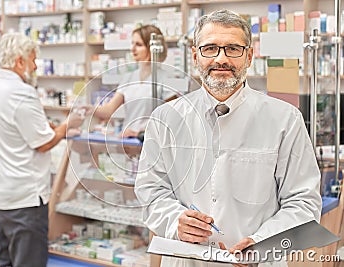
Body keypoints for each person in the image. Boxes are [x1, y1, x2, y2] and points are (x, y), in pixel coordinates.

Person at [134, 9, 322, 267]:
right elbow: (150, 190)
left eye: (233, 48)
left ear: (250, 56)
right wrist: (174, 220)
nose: (221, 59)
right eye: (210, 48)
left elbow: (304, 202)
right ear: (194, 55)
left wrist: (263, 242)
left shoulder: (285, 120)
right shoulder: (165, 118)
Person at [0, 32, 82, 267]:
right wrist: (69, 125)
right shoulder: (21, 92)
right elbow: (44, 142)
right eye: (33, 60)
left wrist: (52, 128)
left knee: (3, 261)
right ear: (19, 61)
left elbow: (19, 128)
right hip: (24, 202)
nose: (35, 66)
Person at [84, 24, 173, 138]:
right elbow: (109, 110)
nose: (133, 49)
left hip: (152, 141)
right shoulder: (128, 78)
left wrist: (140, 133)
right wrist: (90, 109)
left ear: (152, 48)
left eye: (139, 45)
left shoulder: (165, 78)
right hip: (128, 141)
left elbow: (172, 118)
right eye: (132, 43)